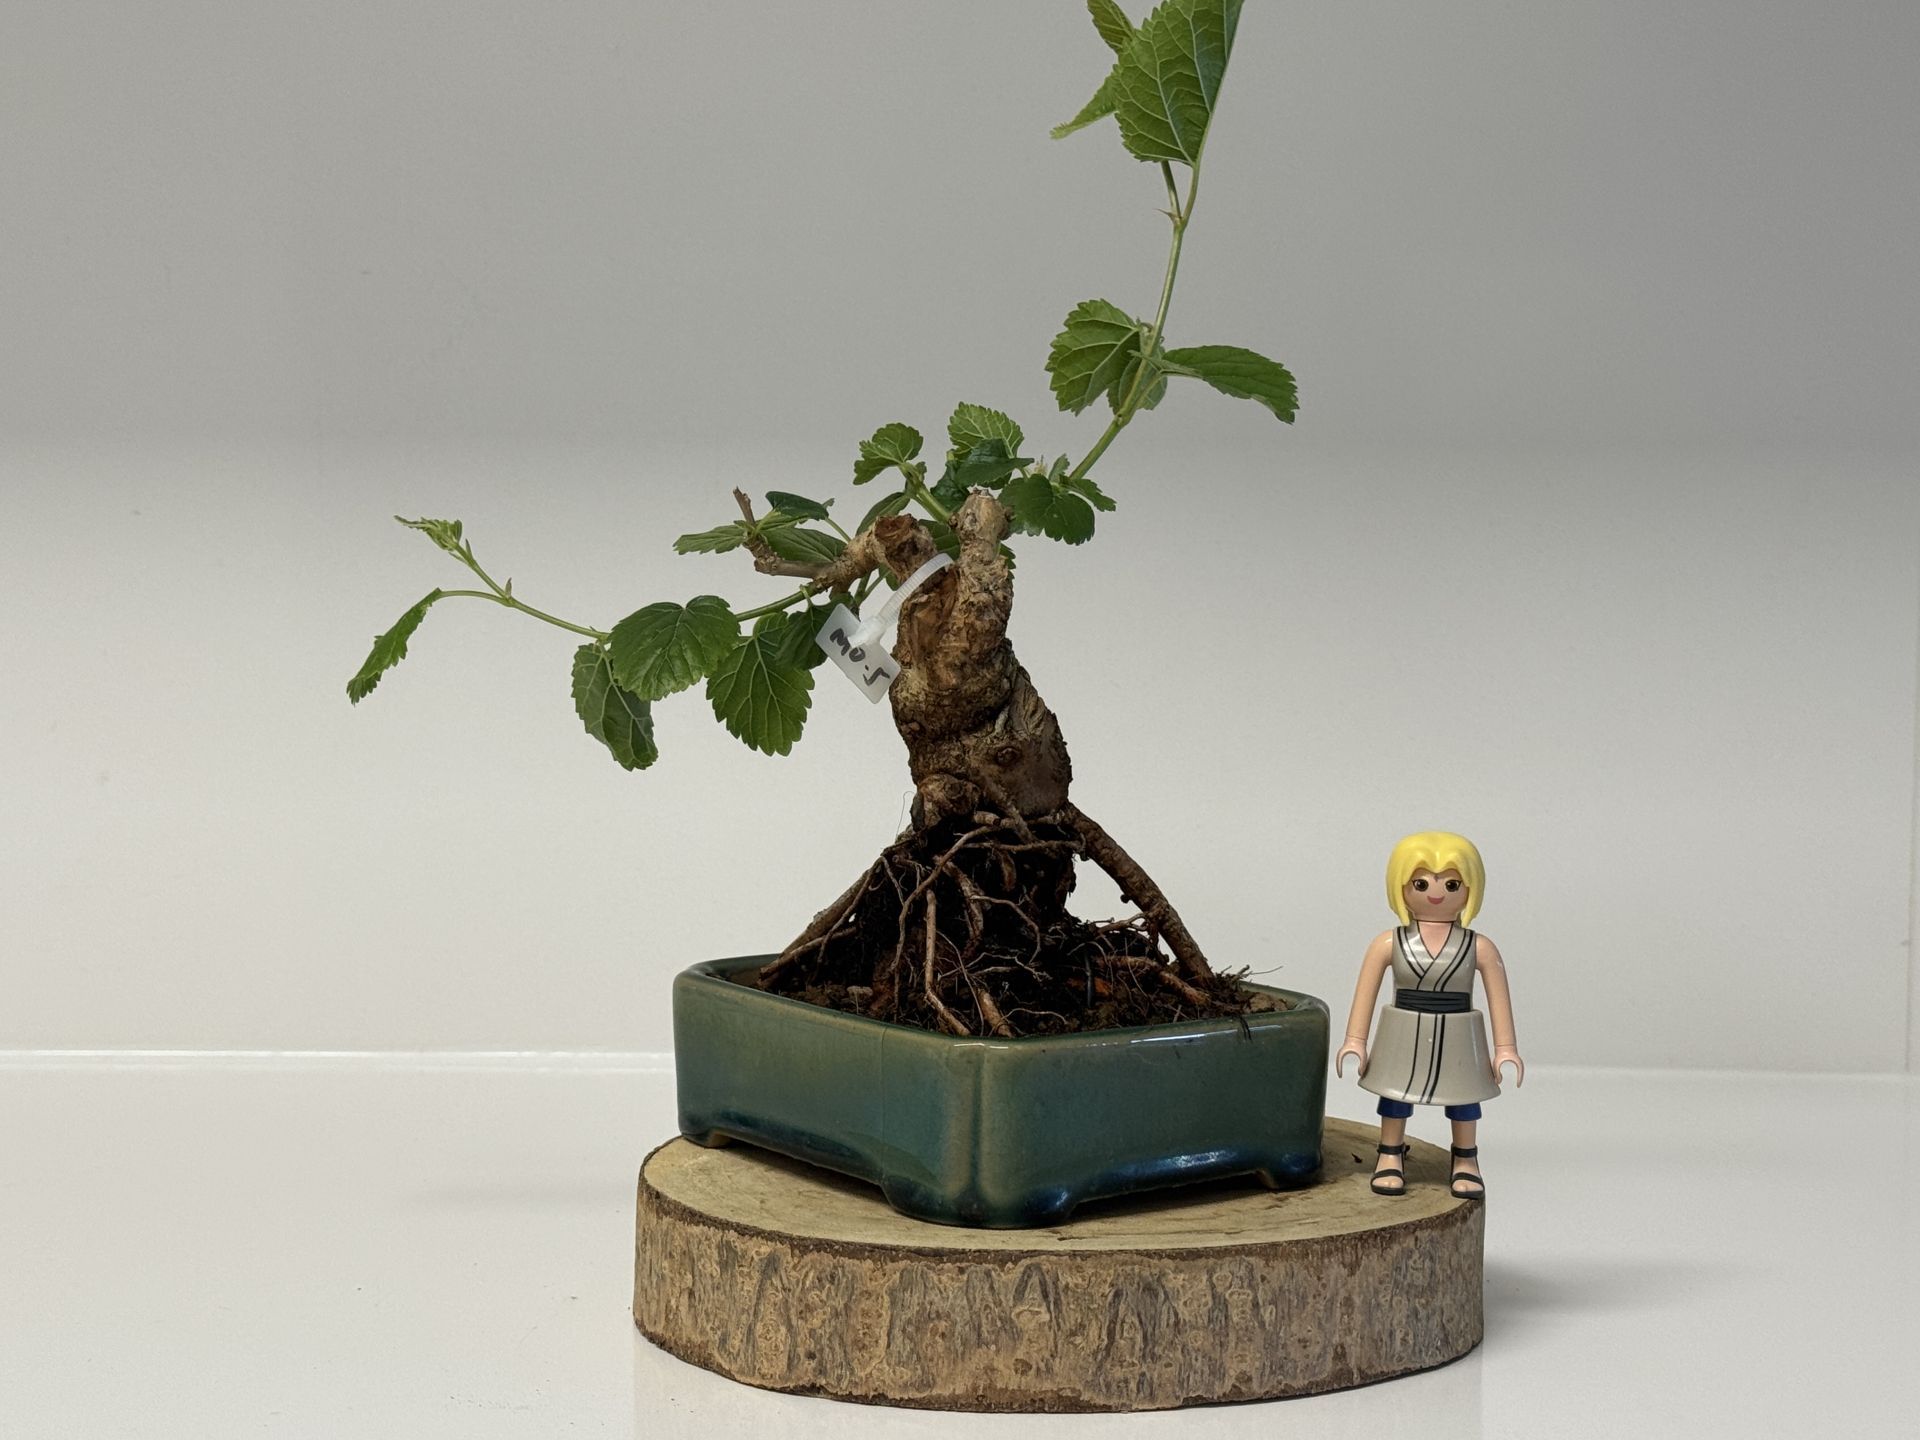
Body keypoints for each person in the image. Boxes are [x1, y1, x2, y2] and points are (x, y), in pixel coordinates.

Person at [1335, 831, 1524, 1199]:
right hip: (1403, 1030)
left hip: (1459, 1033)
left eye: (1451, 884)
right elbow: (1366, 994)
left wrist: (1506, 1048)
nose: (1436, 893)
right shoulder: (1389, 943)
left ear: (1470, 888)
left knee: (1464, 1096)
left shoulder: (1478, 947)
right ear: (1401, 886)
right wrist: (1355, 1040)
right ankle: (1390, 1153)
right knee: (1395, 1094)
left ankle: (1465, 1158)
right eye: (1421, 883)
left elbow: (1498, 997)